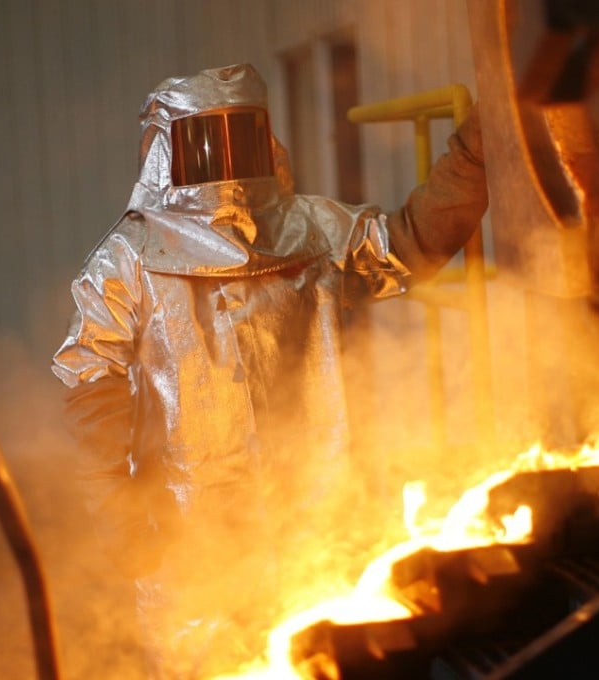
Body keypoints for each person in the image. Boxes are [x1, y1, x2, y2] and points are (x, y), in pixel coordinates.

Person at [51, 63, 486, 677]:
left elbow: (409, 245)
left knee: (326, 655)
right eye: (208, 139)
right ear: (167, 150)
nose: (226, 160)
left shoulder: (311, 227)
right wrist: (112, 501)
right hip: (193, 531)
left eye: (241, 135)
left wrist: (475, 154)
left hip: (314, 508)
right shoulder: (132, 256)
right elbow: (88, 378)